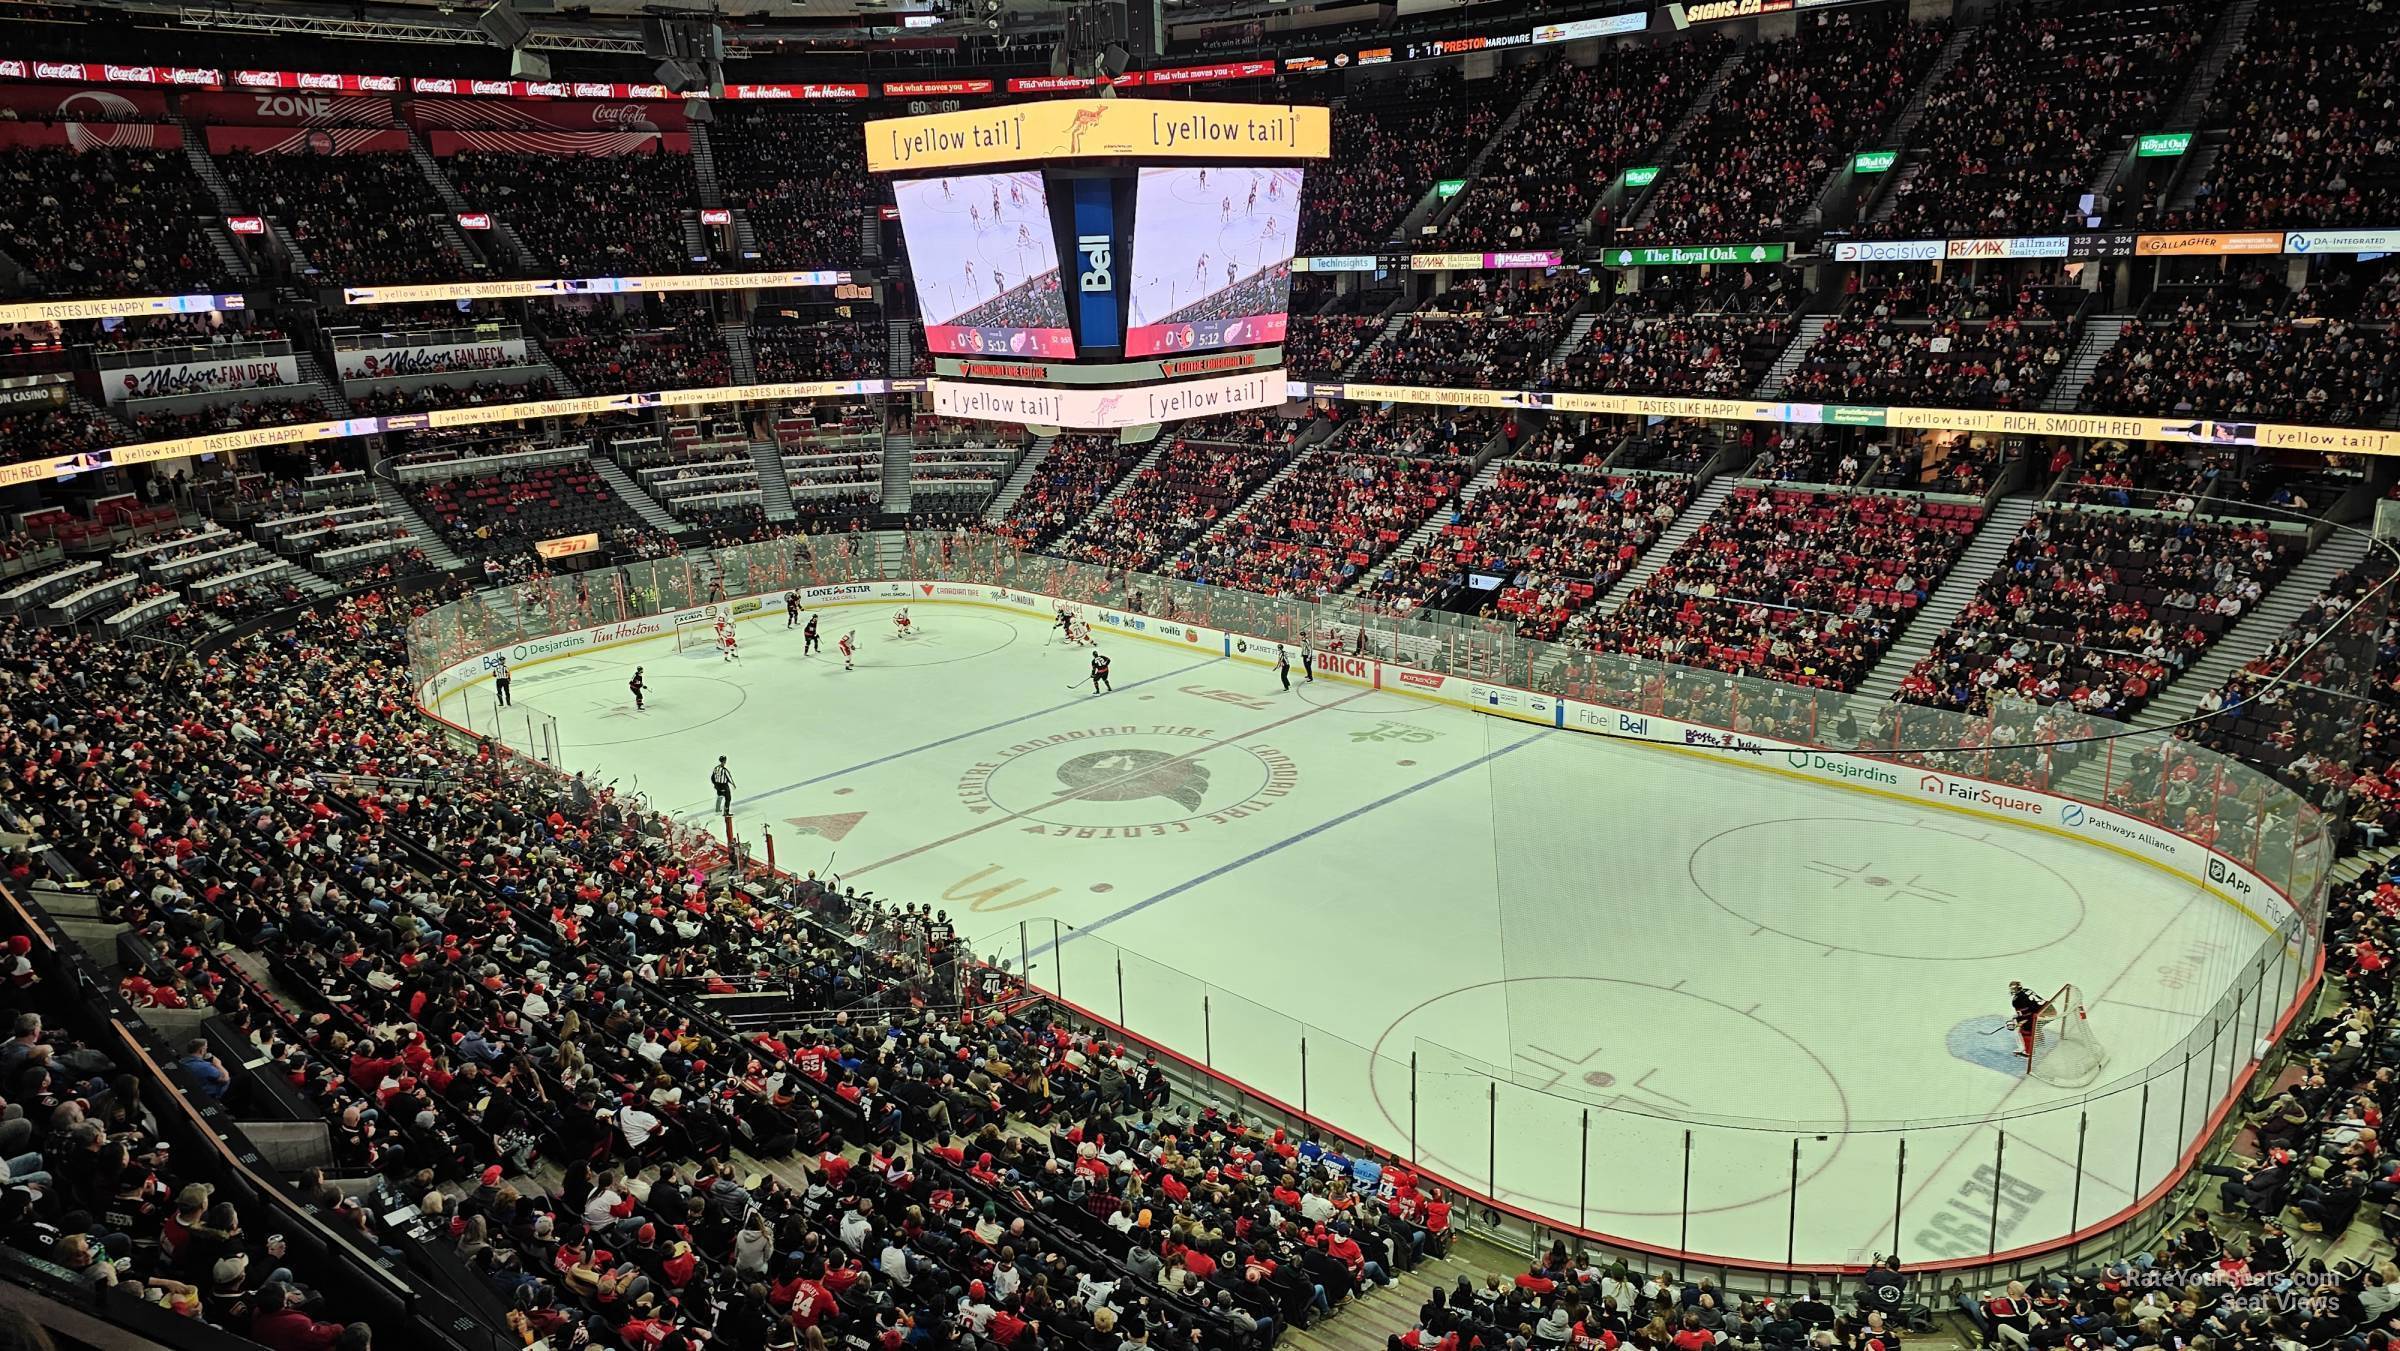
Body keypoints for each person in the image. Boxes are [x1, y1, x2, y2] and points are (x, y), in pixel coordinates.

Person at [2008, 981, 2044, 1069]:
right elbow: (2031, 1007)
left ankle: (2025, 1051)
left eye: (2013, 989)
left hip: (2039, 1015)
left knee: (2019, 1030)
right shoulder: (2027, 990)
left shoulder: (2017, 1000)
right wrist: (2017, 1017)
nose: (2012, 991)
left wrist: (2015, 1022)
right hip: (2047, 1009)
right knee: (2032, 1024)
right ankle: (2039, 1038)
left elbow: (2027, 1014)